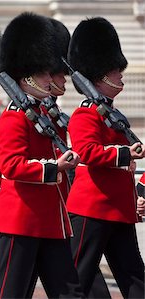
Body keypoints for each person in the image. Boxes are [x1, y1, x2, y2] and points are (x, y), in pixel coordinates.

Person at [0, 13, 83, 298]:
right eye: (44, 73)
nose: (50, 79)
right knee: (10, 291)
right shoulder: (13, 118)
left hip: (48, 219)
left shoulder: (43, 115)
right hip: (22, 219)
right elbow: (11, 166)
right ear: (27, 77)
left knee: (69, 291)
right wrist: (55, 167)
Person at [67, 17, 145, 298]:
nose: (121, 75)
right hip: (93, 207)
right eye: (115, 71)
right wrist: (126, 153)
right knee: (77, 277)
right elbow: (88, 151)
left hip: (118, 207)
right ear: (100, 75)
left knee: (135, 279)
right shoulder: (85, 113)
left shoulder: (114, 114)